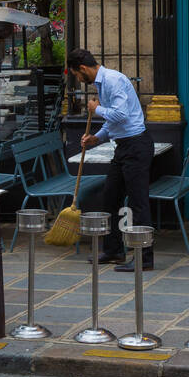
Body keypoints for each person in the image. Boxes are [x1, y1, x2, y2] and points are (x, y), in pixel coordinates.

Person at [67, 48, 153, 271]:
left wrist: (97, 109)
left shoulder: (113, 81)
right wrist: (97, 137)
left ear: (83, 69)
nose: (78, 79)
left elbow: (121, 115)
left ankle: (145, 258)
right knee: (110, 197)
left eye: (77, 74)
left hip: (136, 145)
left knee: (138, 203)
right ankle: (114, 250)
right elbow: (113, 122)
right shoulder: (102, 84)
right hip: (123, 146)